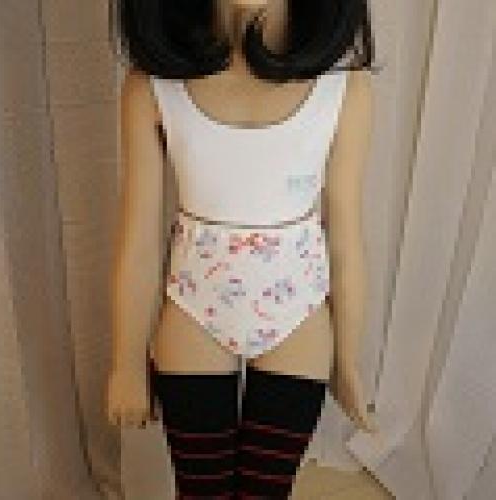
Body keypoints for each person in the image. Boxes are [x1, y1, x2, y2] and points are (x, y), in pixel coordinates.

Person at [107, 0, 380, 497]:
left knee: (267, 492)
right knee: (201, 490)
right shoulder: (153, 87)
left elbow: (345, 238)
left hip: (299, 319)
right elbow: (139, 240)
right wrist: (126, 362)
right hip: (194, 312)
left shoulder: (344, 89)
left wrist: (348, 363)